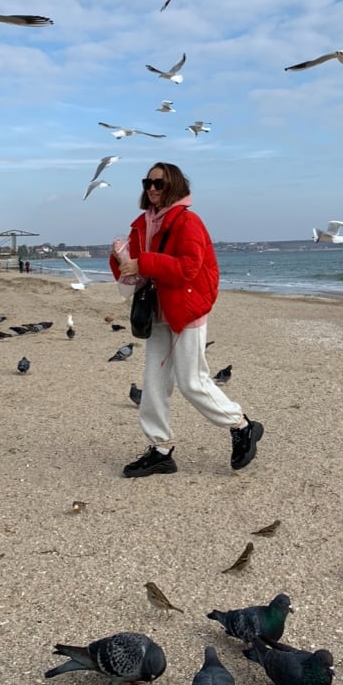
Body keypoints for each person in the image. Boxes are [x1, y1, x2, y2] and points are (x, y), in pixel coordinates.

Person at [110, 162, 263, 478]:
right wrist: (122, 260)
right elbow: (137, 271)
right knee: (153, 385)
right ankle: (160, 450)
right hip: (158, 312)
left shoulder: (189, 222)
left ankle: (243, 425)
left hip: (186, 309)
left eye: (159, 183)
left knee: (193, 382)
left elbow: (188, 269)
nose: (152, 188)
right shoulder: (143, 223)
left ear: (175, 186)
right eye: (148, 183)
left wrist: (142, 262)